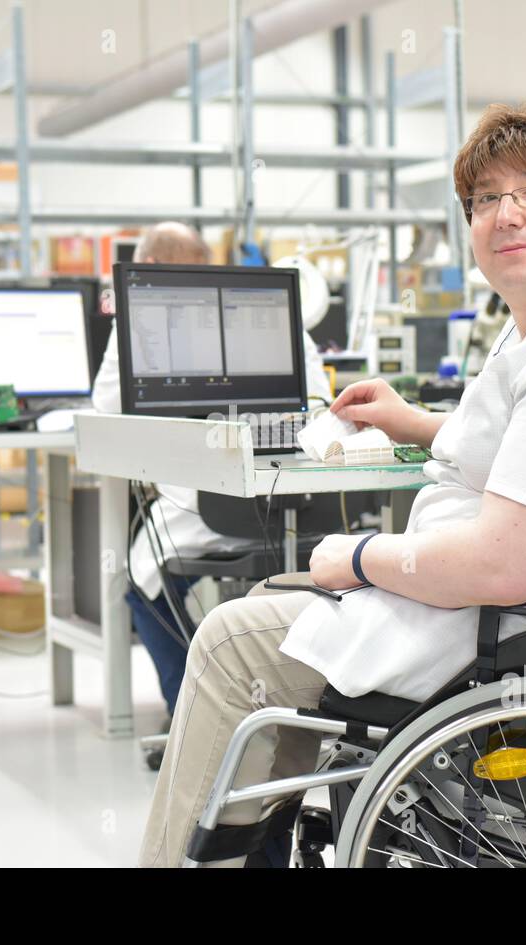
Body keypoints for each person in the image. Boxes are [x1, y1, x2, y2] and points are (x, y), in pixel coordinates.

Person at [139, 103, 526, 867]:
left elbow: (505, 563)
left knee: (228, 639)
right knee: (266, 609)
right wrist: (415, 421)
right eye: (484, 200)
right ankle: (248, 843)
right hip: (501, 605)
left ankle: (191, 854)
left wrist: (363, 555)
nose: (506, 214)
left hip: (514, 625)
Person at [89, 222, 333, 723]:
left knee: (138, 580)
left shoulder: (144, 313)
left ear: (149, 269)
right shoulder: (271, 304)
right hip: (309, 511)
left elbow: (107, 408)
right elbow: (321, 402)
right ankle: (251, 704)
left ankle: (193, 717)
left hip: (208, 511)